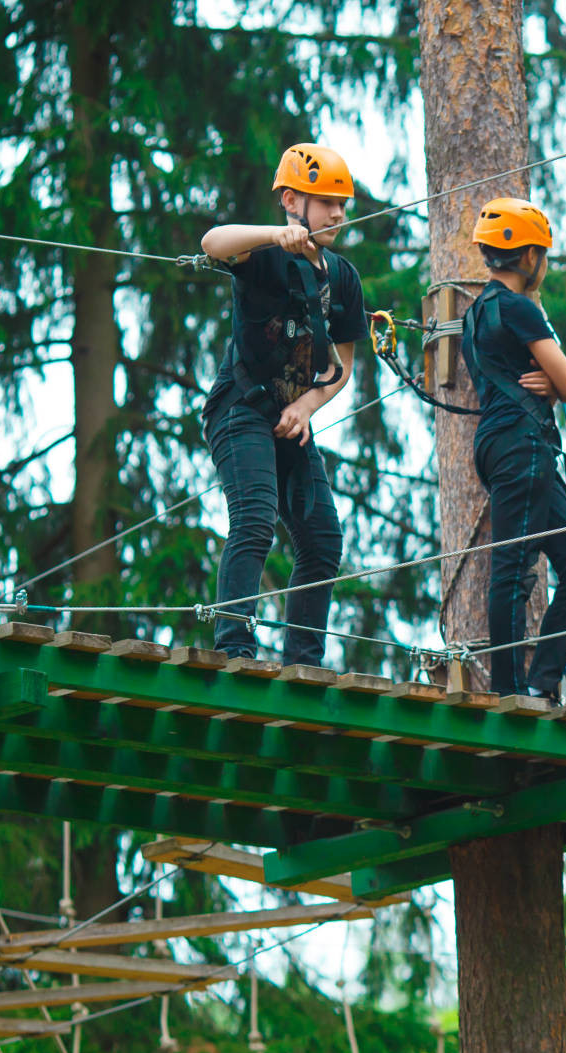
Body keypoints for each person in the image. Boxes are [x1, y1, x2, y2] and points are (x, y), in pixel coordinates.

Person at [198, 143, 367, 666]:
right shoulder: (263, 254)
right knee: (253, 517)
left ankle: (304, 663)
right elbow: (212, 242)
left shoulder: (340, 277)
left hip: (291, 419)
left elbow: (342, 367)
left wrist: (308, 407)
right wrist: (278, 234)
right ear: (293, 200)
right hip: (240, 409)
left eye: (343, 203)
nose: (338, 213)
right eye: (325, 201)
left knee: (322, 541)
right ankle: (236, 649)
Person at [461, 197, 566, 699]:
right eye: (542, 253)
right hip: (523, 445)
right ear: (527, 257)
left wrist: (546, 377)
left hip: (506, 446)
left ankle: (541, 684)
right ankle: (510, 691)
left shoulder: (475, 315)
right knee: (514, 567)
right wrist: (553, 377)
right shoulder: (518, 308)